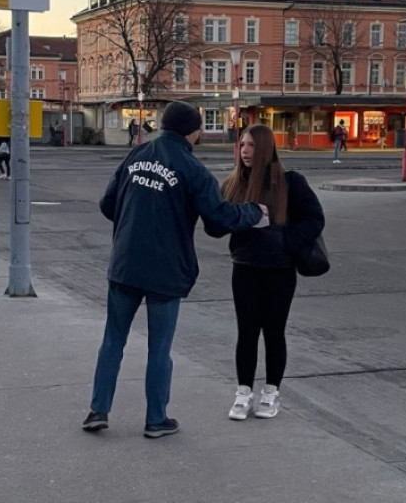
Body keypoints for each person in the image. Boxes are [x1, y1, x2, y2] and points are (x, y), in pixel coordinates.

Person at [83, 100, 270, 438]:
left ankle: (98, 410)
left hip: (125, 264)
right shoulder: (194, 170)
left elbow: (107, 204)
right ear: (193, 132)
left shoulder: (135, 156)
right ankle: (156, 419)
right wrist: (254, 213)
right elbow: (219, 219)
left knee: (113, 339)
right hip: (166, 271)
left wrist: (135, 223)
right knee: (159, 347)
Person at [209, 124, 324, 421]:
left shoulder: (290, 183)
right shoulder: (233, 184)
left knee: (274, 333)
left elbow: (314, 219)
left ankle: (271, 392)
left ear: (266, 149)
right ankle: (243, 392)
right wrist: (228, 219)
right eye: (242, 145)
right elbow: (215, 227)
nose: (245, 151)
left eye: (251, 146)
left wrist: (286, 241)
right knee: (246, 332)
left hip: (279, 270)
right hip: (245, 267)